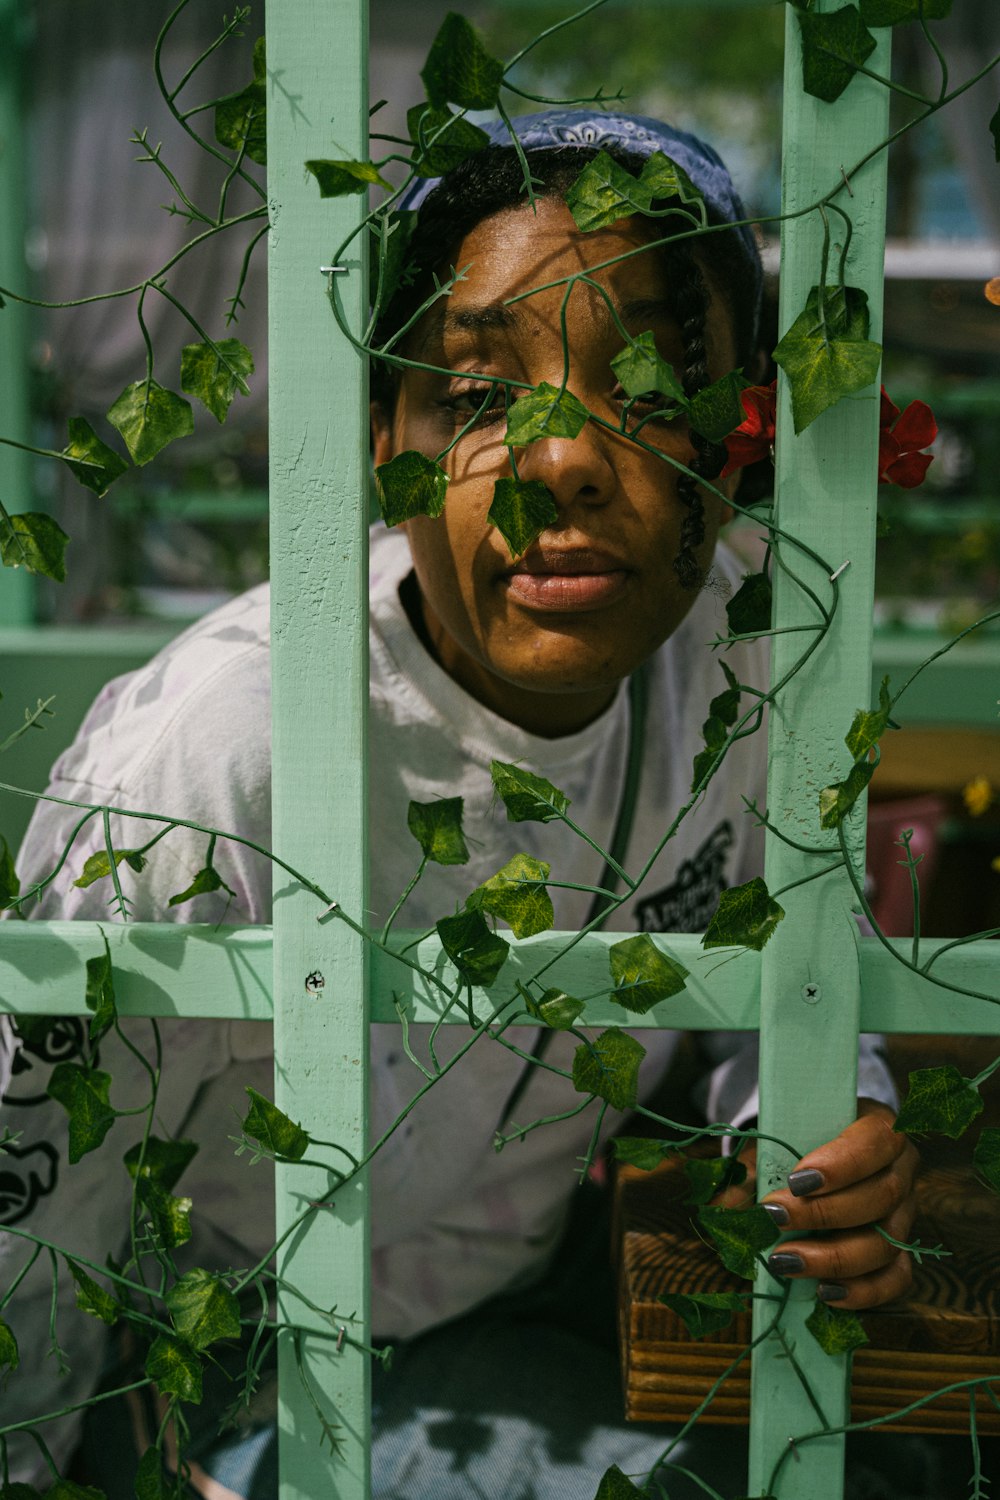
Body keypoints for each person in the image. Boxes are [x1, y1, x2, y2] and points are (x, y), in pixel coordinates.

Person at [1, 110, 924, 1499]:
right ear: (387, 449)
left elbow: (782, 964)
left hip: (545, 1308)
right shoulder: (216, 763)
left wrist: (808, 1132)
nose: (559, 457)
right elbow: (32, 1213)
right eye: (480, 396)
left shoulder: (757, 646)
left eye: (655, 380)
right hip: (251, 1368)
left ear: (747, 429)